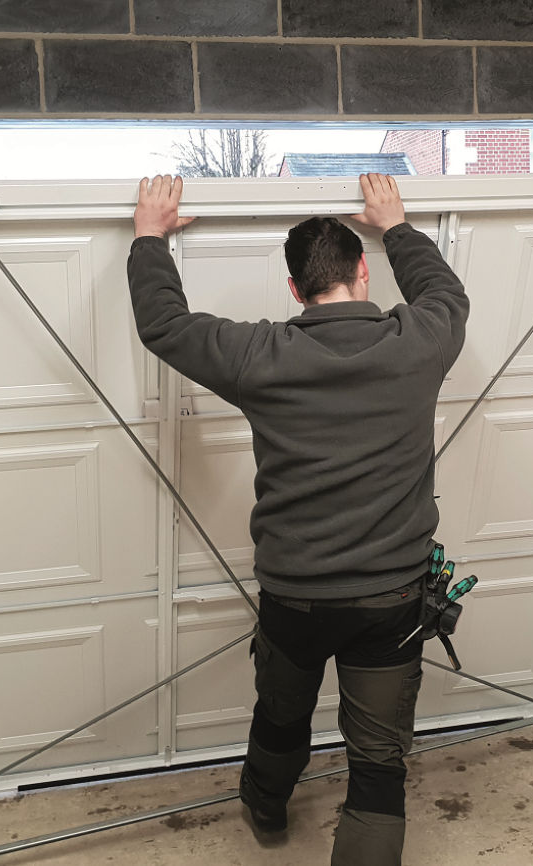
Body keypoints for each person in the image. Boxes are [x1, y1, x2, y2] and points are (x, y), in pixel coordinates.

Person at [127, 174, 469, 865]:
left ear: (294, 289)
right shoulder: (421, 339)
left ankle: (265, 807)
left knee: (282, 715)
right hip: (391, 601)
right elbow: (447, 293)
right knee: (378, 764)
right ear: (363, 272)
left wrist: (148, 237)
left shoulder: (262, 354)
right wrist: (395, 223)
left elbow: (163, 325)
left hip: (295, 597)